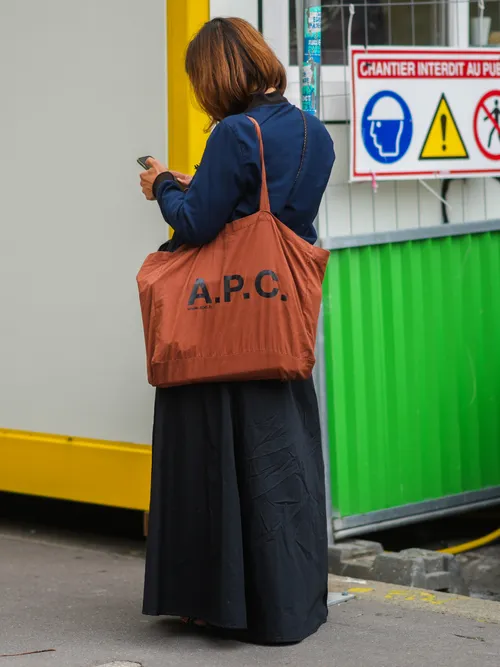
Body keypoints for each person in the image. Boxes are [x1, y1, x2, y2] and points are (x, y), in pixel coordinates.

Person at [139, 17, 335, 645]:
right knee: (280, 461)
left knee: (213, 462)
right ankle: (286, 605)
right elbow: (270, 213)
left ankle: (213, 603)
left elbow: (197, 225)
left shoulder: (232, 132)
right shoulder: (315, 132)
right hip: (277, 319)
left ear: (216, 75)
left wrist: (163, 185)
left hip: (220, 327)